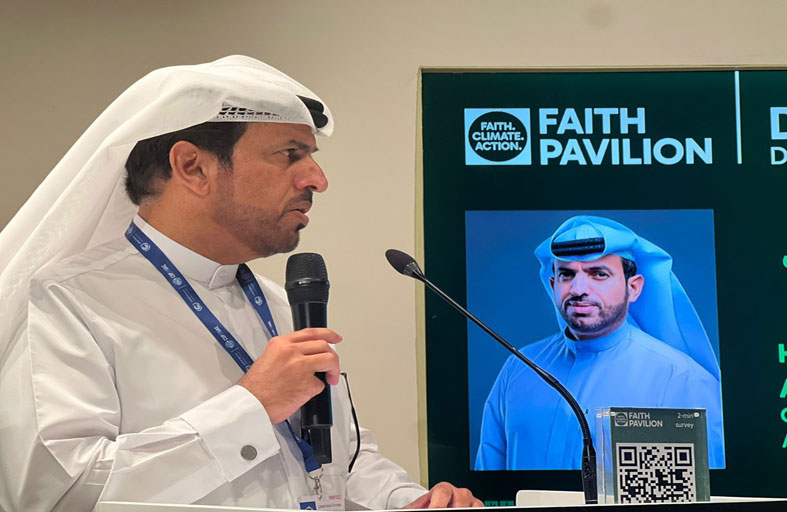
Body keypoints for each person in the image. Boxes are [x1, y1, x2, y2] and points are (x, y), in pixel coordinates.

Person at [0, 56, 482, 511]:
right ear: (193, 167)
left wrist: (404, 501)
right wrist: (250, 407)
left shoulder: (281, 304)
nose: (318, 179)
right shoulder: (68, 302)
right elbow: (59, 495)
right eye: (290, 154)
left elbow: (336, 462)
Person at [474, 215, 724, 470]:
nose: (578, 289)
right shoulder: (518, 368)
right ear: (553, 284)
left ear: (634, 288)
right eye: (566, 275)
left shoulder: (683, 380)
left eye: (598, 274)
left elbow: (708, 491)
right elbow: (486, 487)